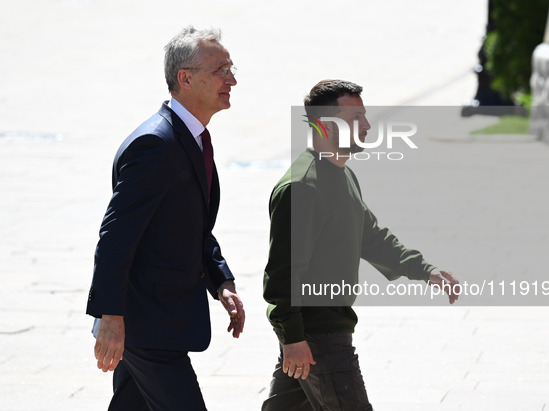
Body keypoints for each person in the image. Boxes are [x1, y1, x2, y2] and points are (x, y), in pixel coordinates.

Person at [262, 79, 459, 410]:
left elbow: (371, 237)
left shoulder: (341, 174)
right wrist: (293, 338)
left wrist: (426, 271)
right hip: (317, 337)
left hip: (317, 333)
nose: (367, 126)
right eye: (355, 119)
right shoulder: (303, 188)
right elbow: (283, 274)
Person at [86, 26, 245, 411]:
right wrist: (110, 317)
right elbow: (115, 237)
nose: (232, 79)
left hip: (161, 319)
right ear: (185, 78)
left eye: (231, 67)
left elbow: (191, 224)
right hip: (145, 324)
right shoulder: (156, 144)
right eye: (220, 69)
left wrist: (220, 279)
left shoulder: (192, 138)